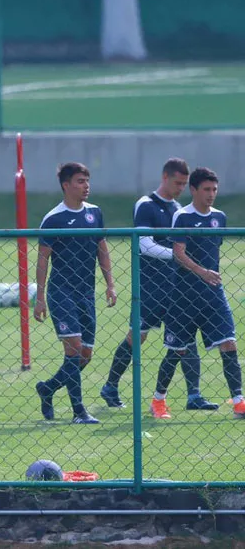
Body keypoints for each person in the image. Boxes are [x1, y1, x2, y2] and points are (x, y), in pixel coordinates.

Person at [100, 159, 217, 413]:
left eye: (185, 185)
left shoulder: (178, 208)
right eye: (178, 183)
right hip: (149, 288)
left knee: (186, 337)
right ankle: (110, 386)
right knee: (137, 337)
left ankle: (194, 395)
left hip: (175, 286)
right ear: (164, 177)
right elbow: (144, 245)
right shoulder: (146, 205)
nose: (181, 189)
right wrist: (176, 255)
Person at [157, 167, 245, 419]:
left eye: (214, 189)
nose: (211, 194)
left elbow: (214, 249)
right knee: (178, 350)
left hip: (213, 294)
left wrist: (210, 275)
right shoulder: (182, 216)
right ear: (193, 190)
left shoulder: (220, 217)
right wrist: (203, 272)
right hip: (184, 296)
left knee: (229, 343)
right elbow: (178, 253)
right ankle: (159, 400)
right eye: (206, 189)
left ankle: (239, 401)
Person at [34, 163, 117, 424]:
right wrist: (40, 297)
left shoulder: (95, 214)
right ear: (66, 185)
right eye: (80, 181)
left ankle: (47, 388)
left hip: (86, 293)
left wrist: (110, 284)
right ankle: (79, 411)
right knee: (74, 350)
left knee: (85, 356)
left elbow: (102, 250)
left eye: (87, 181)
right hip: (62, 293)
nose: (86, 186)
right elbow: (42, 260)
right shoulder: (53, 219)